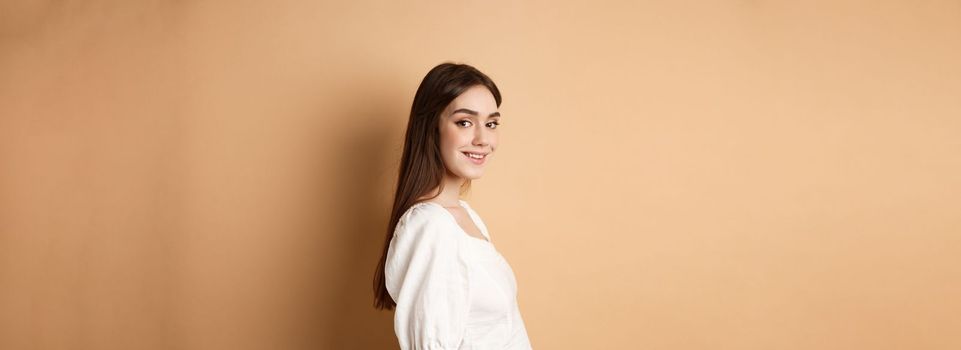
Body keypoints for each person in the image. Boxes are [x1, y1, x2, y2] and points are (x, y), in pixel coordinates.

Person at [372, 62, 533, 349]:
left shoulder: (465, 216)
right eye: (464, 122)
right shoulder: (430, 226)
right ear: (431, 128)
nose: (483, 139)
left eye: (491, 123)